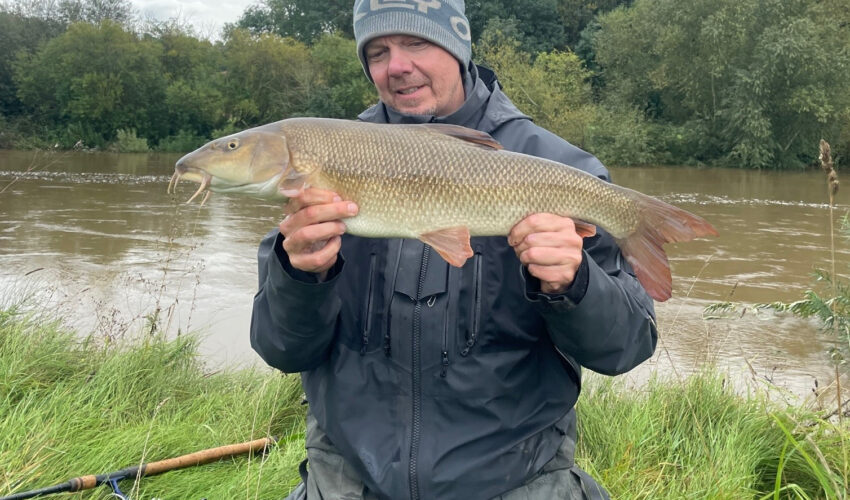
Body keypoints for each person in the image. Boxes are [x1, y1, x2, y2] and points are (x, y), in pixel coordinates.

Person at [250, 0, 657, 498]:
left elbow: (628, 348)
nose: (396, 65)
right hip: (349, 480)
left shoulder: (557, 167)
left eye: (417, 42)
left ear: (458, 46)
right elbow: (282, 350)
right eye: (377, 51)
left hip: (519, 481)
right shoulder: (327, 159)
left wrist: (575, 284)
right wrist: (301, 277)